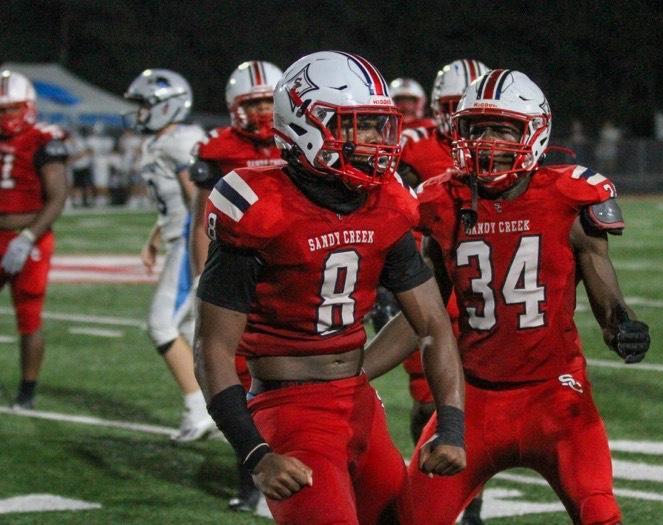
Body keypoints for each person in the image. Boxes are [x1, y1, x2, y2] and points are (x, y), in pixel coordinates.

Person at [365, 69, 651, 525]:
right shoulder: (441, 203)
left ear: (534, 132)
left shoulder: (568, 197)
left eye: (502, 128)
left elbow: (607, 299)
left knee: (601, 513)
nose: (485, 141)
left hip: (556, 397)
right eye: (476, 128)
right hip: (472, 401)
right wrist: (354, 373)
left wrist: (624, 328)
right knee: (409, 519)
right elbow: (425, 316)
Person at [193, 50, 466, 525]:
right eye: (354, 125)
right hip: (289, 407)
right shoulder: (258, 205)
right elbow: (212, 349)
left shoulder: (387, 202)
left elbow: (431, 322)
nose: (372, 140)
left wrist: (452, 425)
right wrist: (256, 453)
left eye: (376, 125)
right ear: (304, 124)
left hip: (359, 402)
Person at [396, 59, 489, 525]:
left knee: (478, 398)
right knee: (425, 399)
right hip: (424, 284)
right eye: (450, 108)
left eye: (464, 108)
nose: (457, 119)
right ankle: (429, 479)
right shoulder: (412, 146)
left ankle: (472, 505)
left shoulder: (506, 143)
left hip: (483, 291)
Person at [189, 59, 285, 513]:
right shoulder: (217, 148)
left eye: (271, 101)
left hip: (291, 274)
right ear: (233, 107)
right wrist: (199, 277)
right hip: (239, 274)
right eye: (256, 102)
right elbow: (199, 223)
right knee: (239, 375)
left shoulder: (301, 144)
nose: (265, 111)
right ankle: (249, 479)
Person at [124, 69, 214, 441]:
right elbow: (175, 206)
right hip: (177, 238)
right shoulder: (162, 142)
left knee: (161, 324)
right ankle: (219, 409)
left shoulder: (182, 143)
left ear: (168, 107)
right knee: (193, 334)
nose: (140, 113)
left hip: (189, 242)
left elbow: (200, 202)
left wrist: (198, 255)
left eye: (145, 105)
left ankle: (199, 409)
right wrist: (154, 237)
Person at [0, 70, 69, 409]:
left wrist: (27, 237)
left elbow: (58, 195)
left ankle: (27, 392)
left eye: (12, 109)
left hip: (29, 237)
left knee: (28, 316)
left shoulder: (44, 139)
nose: (6, 117)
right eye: (1, 110)